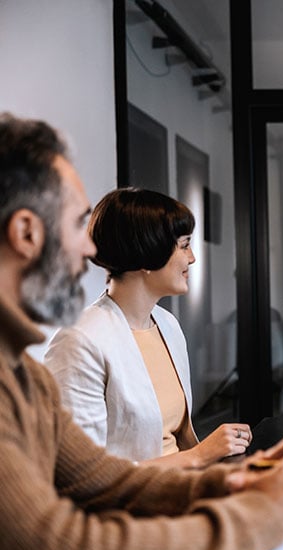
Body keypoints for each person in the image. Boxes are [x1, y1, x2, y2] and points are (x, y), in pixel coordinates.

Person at [0, 112, 283, 550]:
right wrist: (260, 515)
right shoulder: (61, 353)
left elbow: (106, 481)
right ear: (26, 233)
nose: (89, 248)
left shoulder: (22, 377)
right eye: (78, 224)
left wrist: (250, 479)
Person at [44, 188, 251, 467]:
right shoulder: (79, 341)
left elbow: (176, 444)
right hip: (134, 505)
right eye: (184, 245)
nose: (191, 258)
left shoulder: (167, 324)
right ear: (148, 253)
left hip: (183, 488)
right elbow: (81, 474)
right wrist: (201, 454)